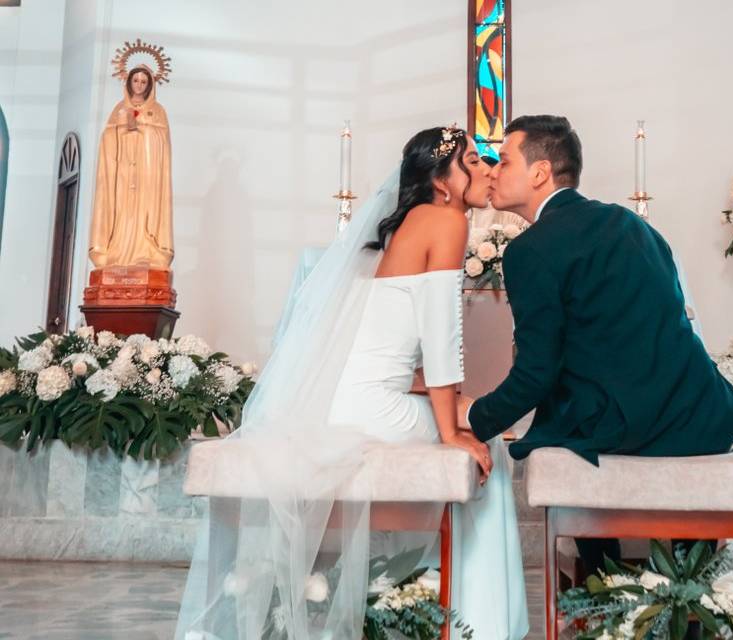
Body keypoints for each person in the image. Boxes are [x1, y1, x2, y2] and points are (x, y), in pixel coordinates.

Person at [176, 126, 527, 640]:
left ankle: (422, 591)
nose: (485, 168)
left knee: (472, 413)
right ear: (442, 181)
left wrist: (449, 409)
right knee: (487, 433)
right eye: (472, 160)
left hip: (347, 400)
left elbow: (391, 351)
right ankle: (483, 622)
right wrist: (453, 432)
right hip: (374, 411)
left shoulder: (411, 224)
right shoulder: (446, 221)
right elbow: (441, 341)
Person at [459, 115, 733, 576]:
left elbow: (537, 373)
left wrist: (474, 417)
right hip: (703, 414)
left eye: (504, 160)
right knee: (577, 402)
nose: (493, 170)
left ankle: (603, 581)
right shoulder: (635, 225)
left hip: (631, 427)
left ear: (540, 172)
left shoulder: (530, 250)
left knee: (568, 421)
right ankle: (687, 589)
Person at [89, 66, 174, 270]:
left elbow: (162, 141)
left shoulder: (158, 111)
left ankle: (146, 250)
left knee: (144, 210)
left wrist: (141, 128)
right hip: (124, 175)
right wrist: (121, 130)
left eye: (143, 82)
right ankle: (117, 251)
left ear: (150, 85)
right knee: (121, 212)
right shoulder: (119, 109)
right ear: (128, 83)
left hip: (146, 175)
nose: (139, 85)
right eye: (135, 81)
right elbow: (107, 139)